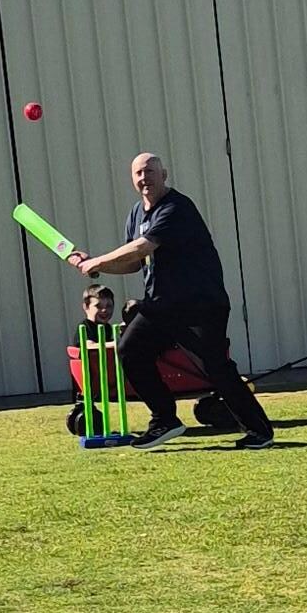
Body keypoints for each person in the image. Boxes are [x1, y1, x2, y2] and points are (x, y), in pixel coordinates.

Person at [77, 151, 274, 444]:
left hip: (200, 304)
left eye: (150, 171)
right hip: (162, 306)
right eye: (138, 173)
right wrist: (95, 265)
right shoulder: (136, 213)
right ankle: (164, 420)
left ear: (164, 175)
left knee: (215, 367)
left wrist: (99, 262)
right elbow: (133, 263)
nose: (144, 178)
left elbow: (143, 247)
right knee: (130, 349)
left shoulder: (176, 207)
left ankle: (259, 431)